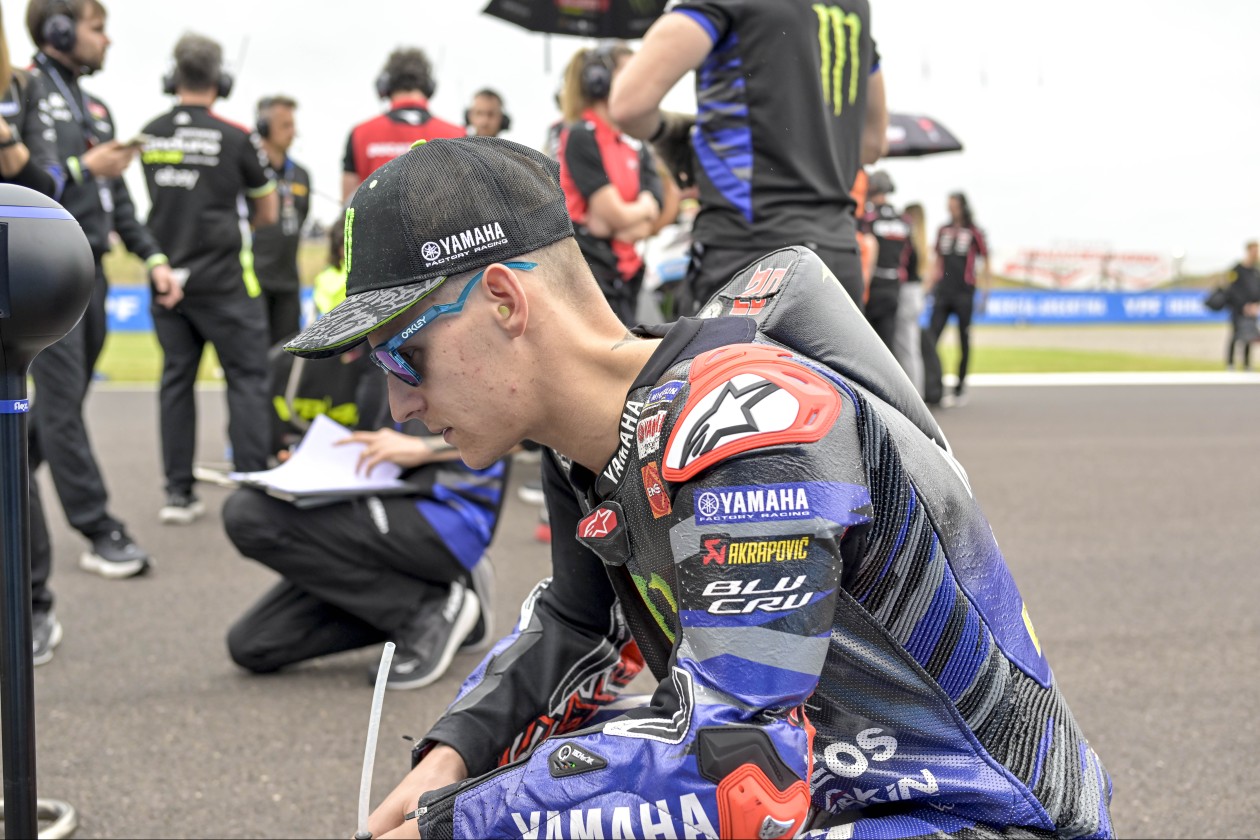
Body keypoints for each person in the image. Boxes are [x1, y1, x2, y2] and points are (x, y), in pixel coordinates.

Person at [284, 137, 1112, 840]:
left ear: (503, 300)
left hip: (972, 818)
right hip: (846, 794)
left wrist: (455, 824)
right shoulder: (596, 443)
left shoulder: (749, 421)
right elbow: (579, 625)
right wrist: (451, 757)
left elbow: (741, 770)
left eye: (402, 354)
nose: (399, 403)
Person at [224, 357, 508, 689]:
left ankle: (430, 607)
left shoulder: (452, 348)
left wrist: (423, 448)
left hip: (447, 513)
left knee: (248, 514)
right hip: (384, 496)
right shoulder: (362, 363)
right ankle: (438, 604)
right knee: (253, 644)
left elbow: (523, 434)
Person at [25, 0, 178, 592]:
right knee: (62, 407)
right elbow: (23, 182)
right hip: (42, 272)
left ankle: (12, 482)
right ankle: (99, 529)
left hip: (93, 273)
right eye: (98, 28)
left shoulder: (99, 108)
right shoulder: (24, 90)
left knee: (54, 414)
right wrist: (85, 166)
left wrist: (155, 259)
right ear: (60, 29)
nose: (107, 40)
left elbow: (121, 206)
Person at [609, 0, 888, 316]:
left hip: (751, 252)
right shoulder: (855, 7)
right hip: (837, 256)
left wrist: (668, 133)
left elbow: (628, 105)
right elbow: (873, 145)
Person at [138, 33, 278, 523]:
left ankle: (178, 494)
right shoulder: (237, 137)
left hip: (167, 279)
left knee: (176, 380)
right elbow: (267, 211)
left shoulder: (150, 132)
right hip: (224, 283)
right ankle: (252, 490)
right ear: (221, 80)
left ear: (173, 77)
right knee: (247, 379)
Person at [3, 1, 68, 665]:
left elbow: (48, 183)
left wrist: (4, 136)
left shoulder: (18, 90)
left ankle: (33, 602)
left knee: (13, 452)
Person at [557, 43, 666, 325]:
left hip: (628, 273)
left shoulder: (634, 141)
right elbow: (615, 214)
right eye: (628, 72)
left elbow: (653, 213)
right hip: (592, 274)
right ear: (599, 80)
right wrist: (639, 211)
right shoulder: (582, 135)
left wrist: (626, 221)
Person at [341, 47, 462, 201]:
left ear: (384, 85)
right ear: (429, 86)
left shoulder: (360, 134)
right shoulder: (458, 135)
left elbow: (348, 205)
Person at [251, 94, 311, 345]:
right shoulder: (249, 171)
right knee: (252, 356)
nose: (293, 132)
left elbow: (302, 217)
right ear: (263, 128)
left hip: (288, 282)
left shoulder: (301, 175)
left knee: (285, 356)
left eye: (293, 125)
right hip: (254, 283)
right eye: (285, 125)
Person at [924, 191, 989, 407]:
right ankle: (933, 385)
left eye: (953, 204)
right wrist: (928, 286)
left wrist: (985, 291)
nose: (950, 208)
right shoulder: (943, 230)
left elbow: (985, 259)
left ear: (962, 206)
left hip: (964, 293)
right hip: (943, 293)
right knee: (930, 338)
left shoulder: (974, 232)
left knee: (964, 340)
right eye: (948, 204)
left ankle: (960, 387)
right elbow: (936, 261)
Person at [859, 171, 918, 362]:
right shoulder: (903, 220)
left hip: (872, 285)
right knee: (888, 347)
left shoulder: (868, 218)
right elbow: (911, 256)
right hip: (894, 286)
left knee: (865, 345)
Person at [1223, 240, 1260, 370]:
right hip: (1238, 309)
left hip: (1252, 309)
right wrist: (1243, 305)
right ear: (1248, 251)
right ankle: (1230, 364)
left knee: (1250, 336)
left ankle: (1246, 364)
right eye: (1254, 251)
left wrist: (1255, 305)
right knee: (1235, 335)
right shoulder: (1236, 270)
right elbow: (1232, 289)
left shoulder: (1256, 271)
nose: (1256, 253)